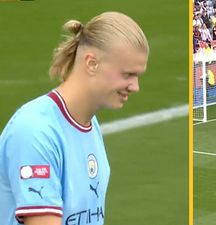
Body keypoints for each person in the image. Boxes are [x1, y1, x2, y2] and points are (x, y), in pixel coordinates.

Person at [0, 11, 149, 225]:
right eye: (127, 74)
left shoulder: (88, 124)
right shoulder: (35, 131)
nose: (135, 87)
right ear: (91, 63)